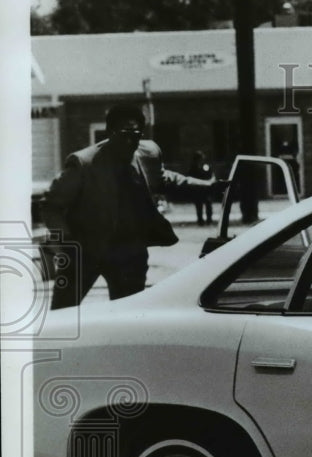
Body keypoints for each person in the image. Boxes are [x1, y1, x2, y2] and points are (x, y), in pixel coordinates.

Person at [44, 103, 215, 309]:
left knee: (128, 315)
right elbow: (51, 205)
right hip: (85, 251)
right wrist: (67, 242)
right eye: (123, 134)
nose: (129, 141)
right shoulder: (83, 163)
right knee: (62, 314)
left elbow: (164, 180)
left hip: (129, 253)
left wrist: (208, 186)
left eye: (135, 135)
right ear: (109, 133)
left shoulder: (149, 153)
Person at [188, 150, 215, 226]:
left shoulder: (206, 167)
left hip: (206, 189)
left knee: (208, 204)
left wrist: (210, 182)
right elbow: (190, 177)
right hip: (198, 189)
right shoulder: (193, 168)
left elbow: (211, 175)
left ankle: (209, 219)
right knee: (199, 205)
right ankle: (200, 220)